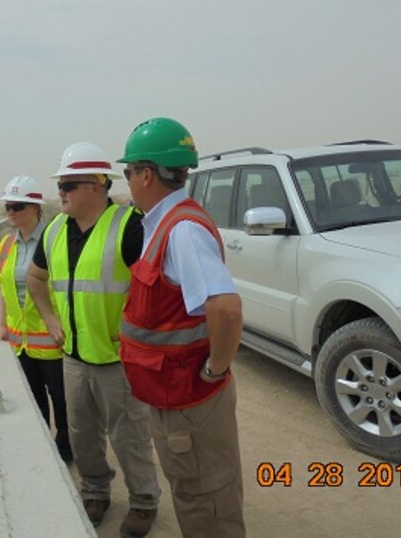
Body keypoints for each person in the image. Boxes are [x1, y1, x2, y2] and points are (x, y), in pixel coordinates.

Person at [117, 117, 246, 538]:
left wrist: (215, 370)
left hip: (191, 399)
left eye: (128, 172)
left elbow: (225, 309)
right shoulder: (165, 224)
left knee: (207, 500)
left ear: (147, 174)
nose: (129, 182)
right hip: (172, 395)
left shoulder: (182, 231)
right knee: (194, 494)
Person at [27, 142, 161, 538]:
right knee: (82, 434)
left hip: (118, 359)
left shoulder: (129, 225)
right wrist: (51, 319)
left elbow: (157, 289)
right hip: (73, 356)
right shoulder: (53, 231)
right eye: (60, 185)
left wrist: (140, 336)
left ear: (96, 186)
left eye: (68, 184)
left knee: (129, 436)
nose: (60, 193)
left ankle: (143, 501)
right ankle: (95, 491)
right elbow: (36, 279)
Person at [0, 175, 72, 464]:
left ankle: (66, 446)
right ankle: (42, 445)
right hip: (21, 341)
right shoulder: (5, 247)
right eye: (8, 207)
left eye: (17, 206)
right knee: (33, 399)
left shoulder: (55, 240)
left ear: (35, 208)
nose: (11, 213)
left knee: (61, 399)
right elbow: (3, 290)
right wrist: (2, 326)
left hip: (52, 339)